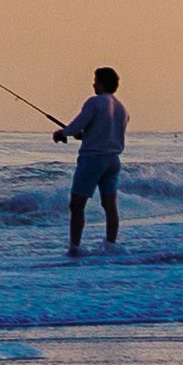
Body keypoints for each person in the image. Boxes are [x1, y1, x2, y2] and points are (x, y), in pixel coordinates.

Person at [57, 67, 131, 256]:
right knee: (110, 205)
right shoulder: (121, 108)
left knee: (77, 205)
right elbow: (105, 132)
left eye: (96, 81)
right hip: (113, 161)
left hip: (92, 160)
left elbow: (77, 124)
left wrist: (62, 133)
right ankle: (110, 244)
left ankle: (74, 247)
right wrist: (85, 135)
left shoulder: (95, 102)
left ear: (103, 83)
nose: (93, 84)